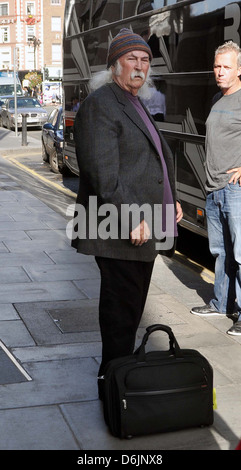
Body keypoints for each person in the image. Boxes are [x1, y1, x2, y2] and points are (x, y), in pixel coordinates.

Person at [73, 28, 182, 397]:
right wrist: (131, 218)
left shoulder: (134, 101)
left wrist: (173, 199)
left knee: (131, 310)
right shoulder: (102, 104)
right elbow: (103, 175)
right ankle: (112, 388)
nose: (140, 66)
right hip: (118, 230)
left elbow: (152, 163)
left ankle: (120, 379)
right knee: (121, 314)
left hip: (143, 228)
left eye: (145, 60)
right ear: (114, 65)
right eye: (132, 59)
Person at [191, 41, 241, 336]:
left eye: (226, 67)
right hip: (213, 188)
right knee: (220, 252)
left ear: (239, 69)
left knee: (240, 254)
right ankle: (222, 303)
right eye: (217, 66)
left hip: (235, 190)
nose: (220, 72)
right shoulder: (215, 99)